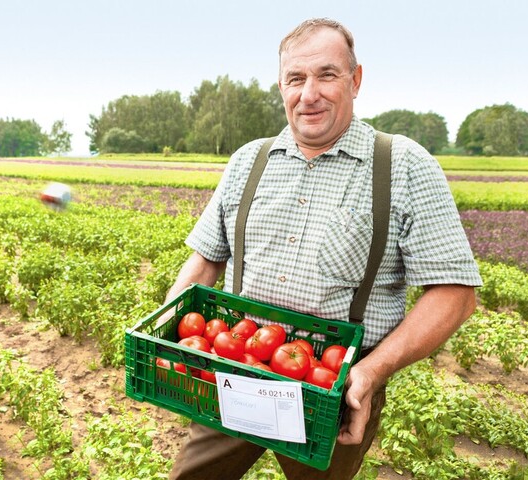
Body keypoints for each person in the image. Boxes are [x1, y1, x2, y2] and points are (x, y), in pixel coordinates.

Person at [165, 17, 482, 480]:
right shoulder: (248, 161)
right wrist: (171, 333)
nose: (308, 94)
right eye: (296, 78)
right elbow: (206, 258)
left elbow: (455, 294)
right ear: (281, 86)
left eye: (326, 75)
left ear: (355, 80)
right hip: (234, 370)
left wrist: (372, 372)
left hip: (329, 392)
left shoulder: (405, 166)